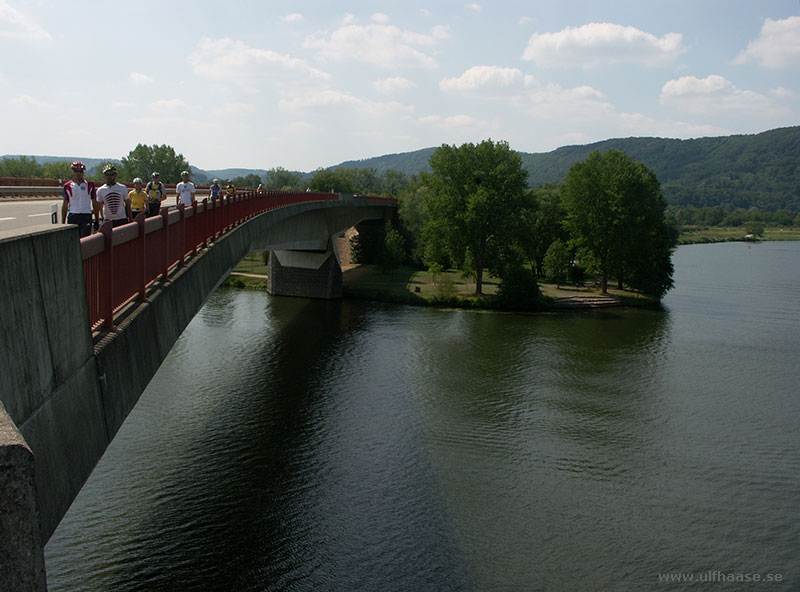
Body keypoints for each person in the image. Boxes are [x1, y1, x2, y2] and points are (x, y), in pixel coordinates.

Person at [61, 161, 98, 237]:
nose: (78, 173)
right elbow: (65, 204)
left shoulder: (90, 185)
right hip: (73, 216)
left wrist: (97, 219)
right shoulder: (67, 186)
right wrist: (62, 222)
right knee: (73, 240)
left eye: (80, 171)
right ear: (72, 172)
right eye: (76, 171)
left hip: (86, 216)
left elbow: (95, 202)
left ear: (83, 172)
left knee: (85, 240)